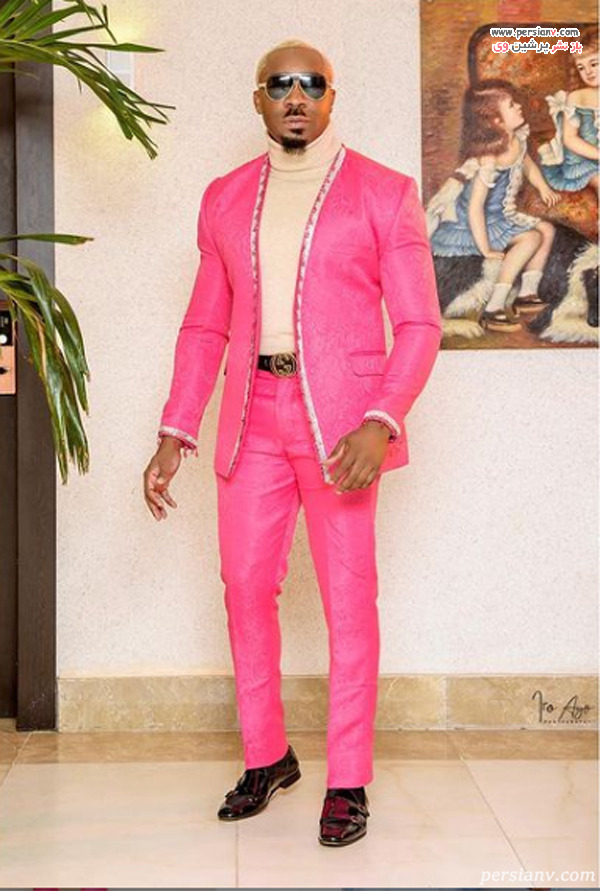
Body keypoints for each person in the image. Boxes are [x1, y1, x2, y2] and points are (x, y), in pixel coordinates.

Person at [143, 38, 442, 847]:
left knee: (349, 599)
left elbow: (420, 323)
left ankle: (348, 777)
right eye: (281, 84)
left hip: (344, 425)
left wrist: (382, 418)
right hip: (251, 416)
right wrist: (176, 428)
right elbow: (205, 325)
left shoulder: (384, 192)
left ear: (332, 97)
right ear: (259, 99)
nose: (297, 96)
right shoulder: (225, 197)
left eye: (313, 83)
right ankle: (267, 755)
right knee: (244, 585)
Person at [427, 79, 559, 332]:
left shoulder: (516, 140)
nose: (519, 106)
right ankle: (494, 308)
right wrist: (485, 248)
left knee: (547, 230)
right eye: (511, 105)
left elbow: (527, 164)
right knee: (531, 238)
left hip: (501, 215)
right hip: (476, 223)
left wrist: (543, 186)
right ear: (496, 121)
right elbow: (474, 208)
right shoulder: (488, 159)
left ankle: (527, 293)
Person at [537, 27, 599, 197]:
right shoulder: (577, 97)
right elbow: (570, 139)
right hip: (584, 159)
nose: (588, 72)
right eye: (581, 67)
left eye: (594, 64)